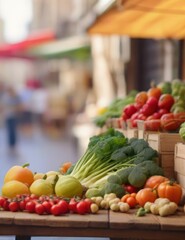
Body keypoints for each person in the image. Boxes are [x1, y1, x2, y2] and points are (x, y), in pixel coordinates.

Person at [2, 85, 21, 151]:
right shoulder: (5, 97)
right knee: (10, 131)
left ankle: (13, 145)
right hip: (8, 116)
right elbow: (2, 107)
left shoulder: (16, 97)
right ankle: (11, 145)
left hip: (14, 116)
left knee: (13, 131)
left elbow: (19, 106)